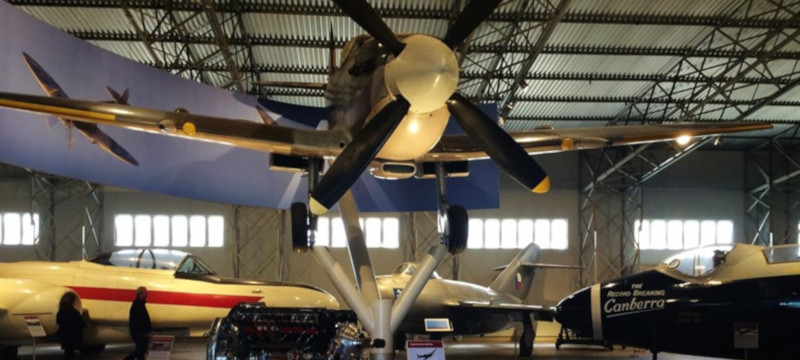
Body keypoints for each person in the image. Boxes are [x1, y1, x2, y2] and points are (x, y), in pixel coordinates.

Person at [124, 286, 152, 360]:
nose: (147, 294)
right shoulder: (138, 305)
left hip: (141, 332)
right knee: (140, 350)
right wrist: (140, 332)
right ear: (140, 294)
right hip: (139, 333)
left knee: (141, 351)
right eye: (145, 292)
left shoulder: (140, 304)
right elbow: (138, 320)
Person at [56, 292, 85, 360]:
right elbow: (79, 323)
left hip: (64, 334)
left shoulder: (61, 312)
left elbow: (58, 322)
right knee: (71, 353)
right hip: (73, 335)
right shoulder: (75, 313)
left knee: (67, 352)